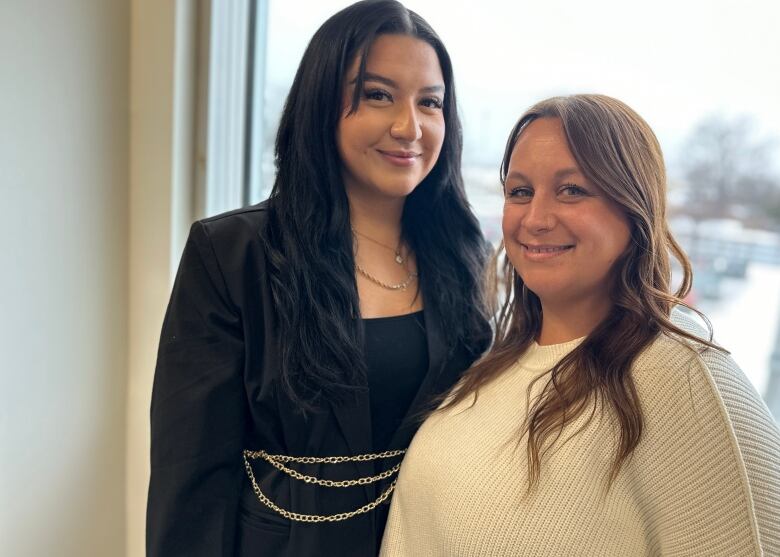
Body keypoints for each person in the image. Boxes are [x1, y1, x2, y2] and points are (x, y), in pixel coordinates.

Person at [145, 1, 491, 556]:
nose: (410, 126)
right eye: (378, 95)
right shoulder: (235, 252)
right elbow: (192, 472)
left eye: (430, 103)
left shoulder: (465, 254)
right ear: (320, 103)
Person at [380, 94, 780, 556]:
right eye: (520, 191)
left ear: (634, 209)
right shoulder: (495, 363)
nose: (536, 218)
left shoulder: (683, 373)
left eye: (572, 190)